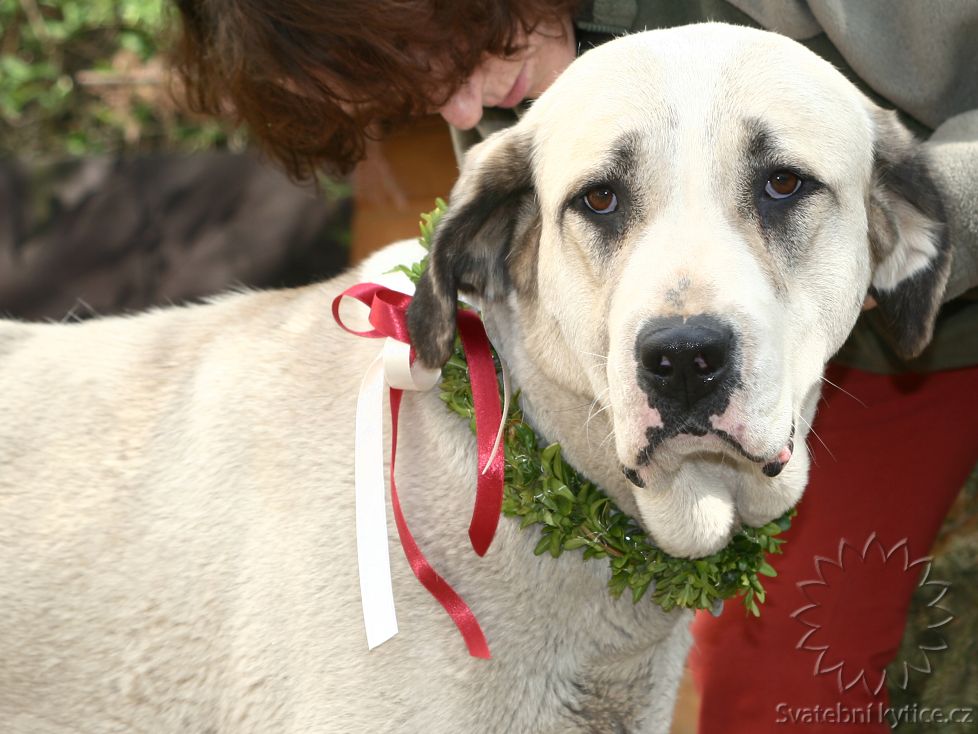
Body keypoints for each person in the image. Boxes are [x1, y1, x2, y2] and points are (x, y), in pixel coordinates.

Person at [173, 1, 978, 731]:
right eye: (423, 100)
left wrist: (894, 242)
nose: (462, 110)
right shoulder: (512, 85)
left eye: (457, 55)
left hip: (924, 312)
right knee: (775, 690)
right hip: (847, 340)